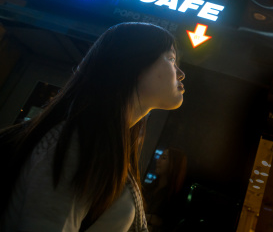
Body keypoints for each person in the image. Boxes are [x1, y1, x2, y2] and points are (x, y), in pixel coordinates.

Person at [0, 22, 186, 232]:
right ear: (134, 65)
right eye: (171, 59)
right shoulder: (79, 143)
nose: (181, 73)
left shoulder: (103, 145)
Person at [144, 148, 187, 232]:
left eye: (163, 158)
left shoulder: (175, 199)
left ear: (173, 164)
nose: (158, 160)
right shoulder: (148, 187)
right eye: (159, 157)